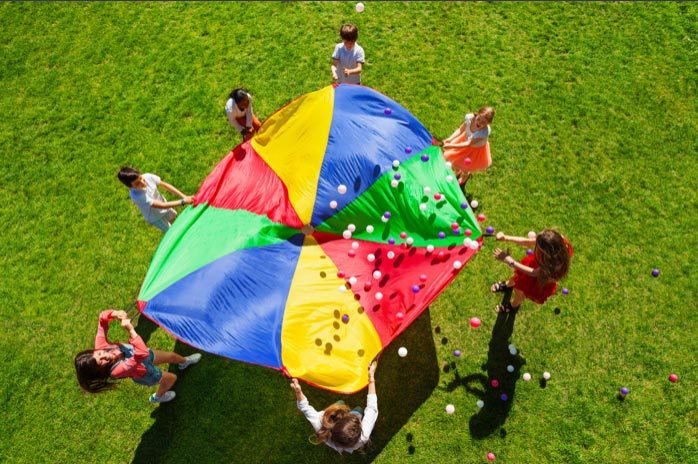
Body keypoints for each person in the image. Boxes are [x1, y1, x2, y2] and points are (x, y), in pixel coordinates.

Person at [74, 310, 201, 403]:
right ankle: (158, 396)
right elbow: (141, 353)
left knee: (172, 356)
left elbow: (102, 318)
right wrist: (130, 330)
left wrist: (116, 314)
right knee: (172, 378)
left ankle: (184, 362)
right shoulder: (117, 371)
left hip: (145, 357)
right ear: (99, 370)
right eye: (100, 362)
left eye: (100, 354)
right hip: (146, 373)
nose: (105, 356)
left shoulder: (100, 345)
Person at [290, 359, 378, 454]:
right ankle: (351, 409)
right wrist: (371, 377)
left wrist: (298, 392)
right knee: (358, 409)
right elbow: (371, 408)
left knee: (340, 403)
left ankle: (341, 404)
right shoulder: (363, 436)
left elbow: (305, 407)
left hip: (334, 418)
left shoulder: (321, 424)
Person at [491, 228, 573, 313]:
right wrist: (506, 237)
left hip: (538, 281)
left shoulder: (553, 267)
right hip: (535, 266)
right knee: (517, 277)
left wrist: (509, 260)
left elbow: (534, 273)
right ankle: (508, 285)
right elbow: (528, 242)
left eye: (537, 248)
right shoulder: (556, 242)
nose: (534, 246)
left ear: (546, 255)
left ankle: (513, 306)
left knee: (520, 293)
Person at [117, 167, 192, 233]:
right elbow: (161, 206)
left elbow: (165, 185)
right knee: (171, 232)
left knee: (174, 219)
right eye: (137, 183)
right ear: (130, 187)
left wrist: (184, 196)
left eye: (141, 178)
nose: (142, 182)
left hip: (165, 206)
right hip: (155, 217)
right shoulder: (137, 196)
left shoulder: (148, 177)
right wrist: (183, 201)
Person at [442, 106, 495, 185]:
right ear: (477, 114)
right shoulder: (470, 118)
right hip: (463, 141)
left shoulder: (483, 132)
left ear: (488, 123)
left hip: (474, 150)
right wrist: (450, 139)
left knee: (466, 167)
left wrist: (452, 145)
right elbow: (460, 130)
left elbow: (468, 144)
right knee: (455, 161)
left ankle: (465, 176)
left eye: (483, 122)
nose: (479, 122)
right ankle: (457, 171)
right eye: (479, 119)